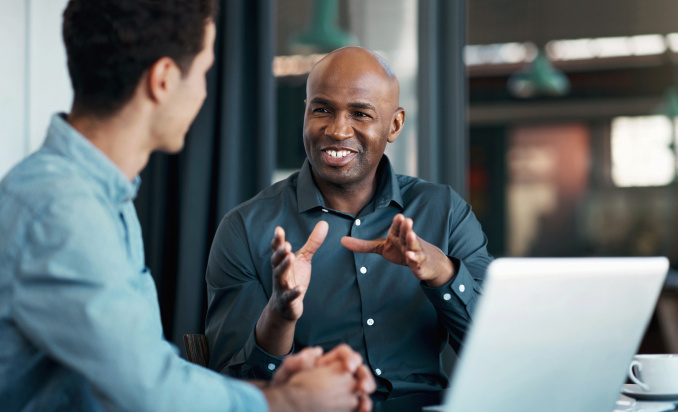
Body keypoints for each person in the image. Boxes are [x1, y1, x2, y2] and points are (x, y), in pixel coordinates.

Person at [0, 1, 375, 411]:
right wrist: (286, 401)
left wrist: (267, 390)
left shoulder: (99, 197)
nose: (203, 91)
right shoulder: (61, 210)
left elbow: (144, 370)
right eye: (202, 72)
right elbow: (150, 394)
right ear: (163, 80)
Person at [205, 46, 494, 410]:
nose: (337, 129)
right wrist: (278, 315)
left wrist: (442, 274)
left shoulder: (444, 211)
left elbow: (494, 352)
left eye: (360, 113)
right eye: (322, 109)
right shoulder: (246, 229)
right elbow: (235, 392)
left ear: (395, 125)